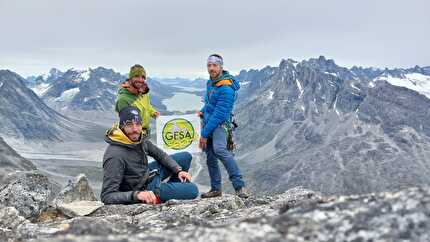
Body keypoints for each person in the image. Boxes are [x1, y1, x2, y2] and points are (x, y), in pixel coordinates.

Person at [101, 106, 199, 205]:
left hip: (146, 175)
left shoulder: (140, 139)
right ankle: (159, 195)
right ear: (122, 127)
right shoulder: (115, 155)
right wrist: (137, 195)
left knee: (185, 157)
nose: (135, 129)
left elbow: (160, 155)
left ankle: (168, 193)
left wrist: (178, 170)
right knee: (193, 190)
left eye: (138, 124)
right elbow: (107, 196)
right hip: (141, 189)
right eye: (129, 125)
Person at [198, 54, 250, 199]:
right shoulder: (211, 83)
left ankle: (239, 187)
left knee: (219, 149)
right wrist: (202, 112)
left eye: (215, 65)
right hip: (209, 123)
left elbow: (220, 113)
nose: (211, 68)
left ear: (221, 67)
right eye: (209, 65)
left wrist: (204, 133)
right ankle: (216, 189)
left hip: (220, 124)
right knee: (210, 157)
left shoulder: (226, 88)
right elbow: (210, 104)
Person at [115, 64, 160, 137]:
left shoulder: (143, 92)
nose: (140, 79)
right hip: (135, 136)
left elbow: (148, 106)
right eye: (136, 76)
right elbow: (126, 124)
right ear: (130, 78)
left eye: (143, 77)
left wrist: (153, 112)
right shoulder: (123, 99)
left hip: (145, 132)